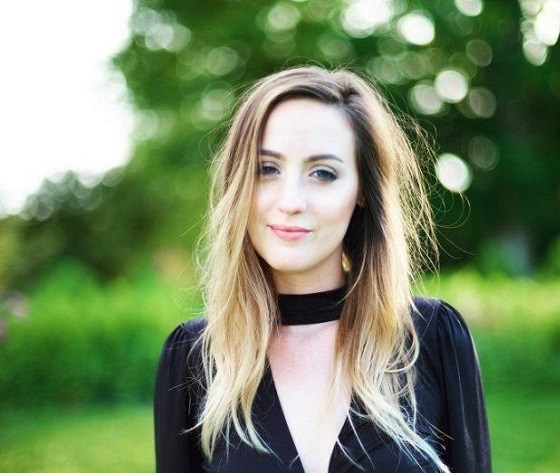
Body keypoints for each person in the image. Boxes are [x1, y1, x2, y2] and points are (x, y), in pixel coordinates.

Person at [154, 66, 491, 473]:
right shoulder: (194, 359)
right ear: (238, 182)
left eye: (323, 173)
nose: (291, 200)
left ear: (363, 190)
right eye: (268, 169)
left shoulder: (432, 338)